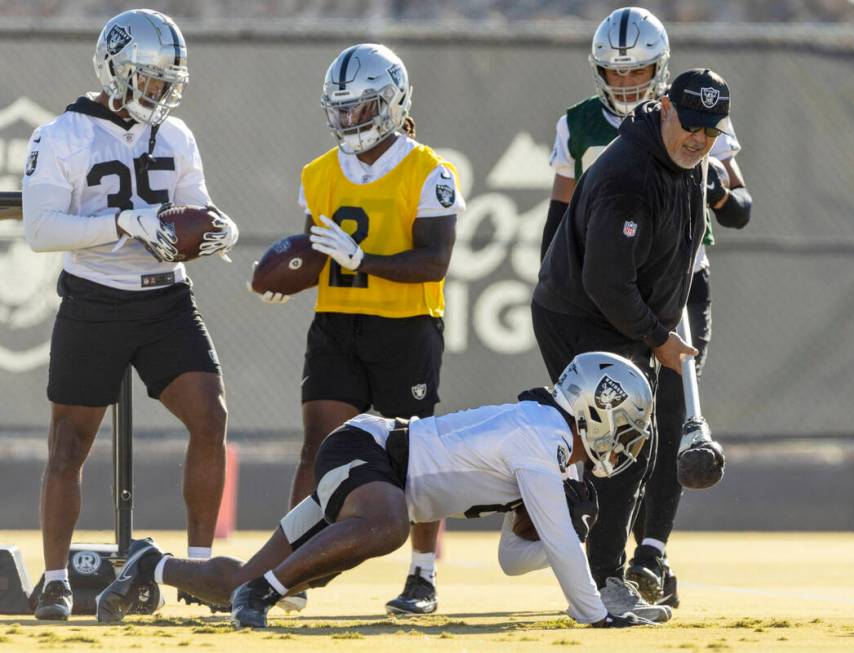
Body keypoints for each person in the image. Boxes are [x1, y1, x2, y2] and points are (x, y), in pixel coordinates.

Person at [96, 352, 671, 629]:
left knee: (241, 581)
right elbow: (571, 568)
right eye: (626, 424)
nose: (625, 439)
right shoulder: (540, 436)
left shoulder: (549, 453)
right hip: (367, 452)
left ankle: (153, 566)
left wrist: (563, 531)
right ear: (597, 410)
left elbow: (512, 559)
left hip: (378, 483)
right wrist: (596, 616)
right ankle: (266, 593)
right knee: (388, 526)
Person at [21, 9, 239, 620]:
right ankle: (58, 578)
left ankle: (199, 571)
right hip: (96, 299)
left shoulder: (176, 134)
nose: (161, 92)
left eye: (168, 80)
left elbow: (197, 207)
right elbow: (40, 229)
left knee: (210, 416)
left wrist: (217, 229)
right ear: (115, 71)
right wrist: (122, 222)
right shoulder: (61, 134)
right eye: (149, 79)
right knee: (68, 443)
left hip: (167, 298)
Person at [543, 7, 753, 610]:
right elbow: (560, 219)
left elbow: (740, 207)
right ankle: (588, 544)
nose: (627, 82)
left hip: (681, 279)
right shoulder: (580, 126)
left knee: (671, 413)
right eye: (615, 71)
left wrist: (714, 185)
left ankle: (652, 552)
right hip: (605, 287)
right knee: (611, 422)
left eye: (639, 71)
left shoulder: (700, 117)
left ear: (661, 73)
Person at [246, 43, 463, 616]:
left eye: (361, 108)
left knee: (415, 456)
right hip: (337, 325)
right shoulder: (318, 173)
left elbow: (434, 262)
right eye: (340, 109)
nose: (349, 120)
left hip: (405, 327)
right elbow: (314, 255)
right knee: (317, 449)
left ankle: (421, 575)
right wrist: (285, 280)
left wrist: (362, 259)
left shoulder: (429, 171)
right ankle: (288, 572)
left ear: (391, 103)